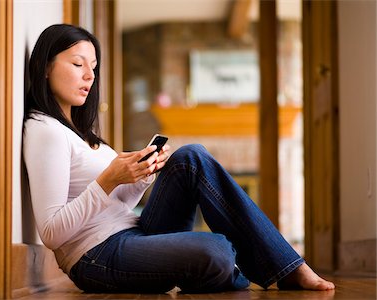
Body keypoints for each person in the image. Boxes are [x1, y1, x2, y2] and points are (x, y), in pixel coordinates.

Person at [22, 24, 335, 294]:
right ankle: (238, 265)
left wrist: (140, 176)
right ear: (46, 67)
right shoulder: (44, 130)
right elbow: (51, 233)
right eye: (78, 64)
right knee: (218, 251)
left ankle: (289, 267)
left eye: (93, 66)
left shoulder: (78, 132)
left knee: (190, 157)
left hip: (132, 234)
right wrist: (109, 179)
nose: (90, 75)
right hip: (95, 256)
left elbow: (115, 207)